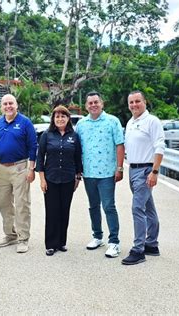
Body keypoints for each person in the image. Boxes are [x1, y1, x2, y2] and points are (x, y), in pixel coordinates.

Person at [76, 91, 125, 258]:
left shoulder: (112, 121)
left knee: (109, 206)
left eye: (96, 102)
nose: (93, 105)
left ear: (102, 104)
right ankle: (97, 236)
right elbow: (78, 149)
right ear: (86, 106)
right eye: (90, 103)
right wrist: (78, 170)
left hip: (107, 173)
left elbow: (119, 145)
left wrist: (119, 168)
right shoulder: (81, 124)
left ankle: (114, 242)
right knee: (93, 206)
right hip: (88, 173)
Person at [0, 94, 38, 253]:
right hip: (1, 168)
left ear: (16, 105)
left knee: (21, 204)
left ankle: (23, 238)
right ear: (1, 107)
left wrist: (31, 169)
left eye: (11, 103)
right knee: (4, 204)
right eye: (5, 104)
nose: (8, 106)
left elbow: (33, 147)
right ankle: (10, 235)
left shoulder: (25, 123)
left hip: (20, 168)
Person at [121, 91, 165, 265]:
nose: (134, 105)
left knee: (137, 208)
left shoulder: (152, 121)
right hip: (133, 169)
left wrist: (154, 172)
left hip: (146, 170)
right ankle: (152, 243)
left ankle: (138, 250)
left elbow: (160, 146)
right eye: (131, 102)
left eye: (137, 101)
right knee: (148, 207)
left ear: (145, 102)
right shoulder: (131, 122)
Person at [36, 106, 83, 256]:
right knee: (52, 211)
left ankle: (61, 242)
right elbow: (40, 158)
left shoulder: (74, 136)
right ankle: (51, 244)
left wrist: (78, 177)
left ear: (68, 119)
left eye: (63, 116)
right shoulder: (47, 135)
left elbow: (78, 158)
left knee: (64, 211)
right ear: (53, 119)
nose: (60, 119)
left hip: (68, 179)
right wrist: (42, 179)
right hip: (51, 179)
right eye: (57, 117)